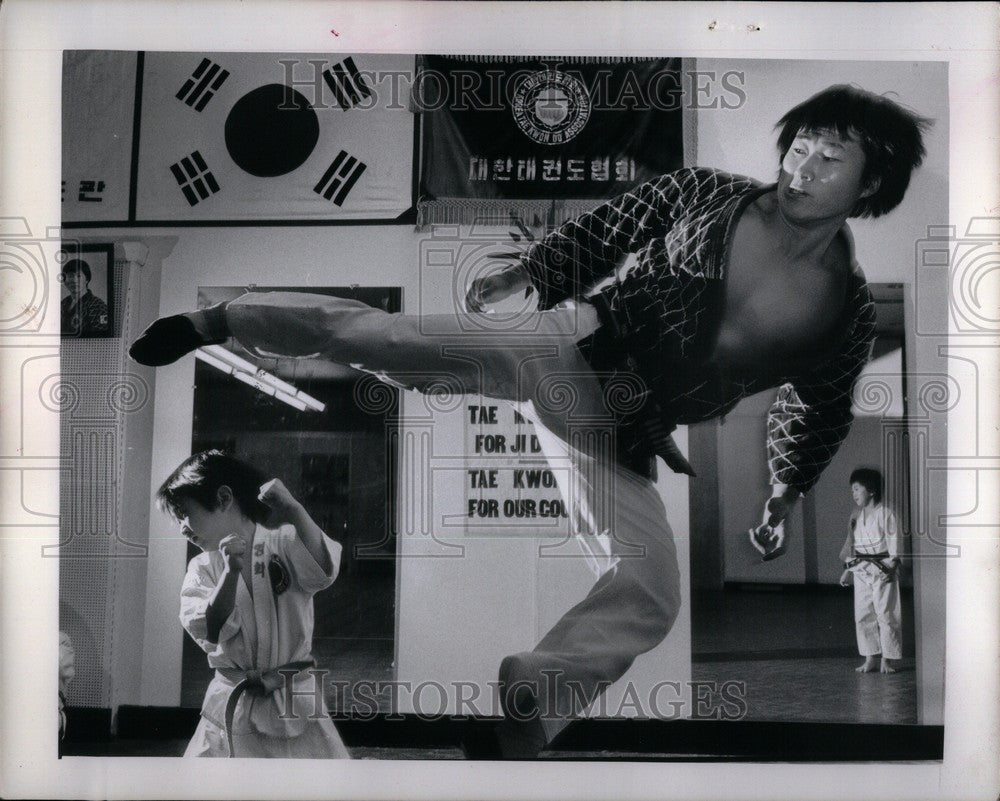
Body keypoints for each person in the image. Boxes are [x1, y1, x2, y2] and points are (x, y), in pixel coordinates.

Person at [131, 85, 930, 757]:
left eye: (831, 158)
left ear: (870, 185)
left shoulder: (845, 313)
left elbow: (818, 407)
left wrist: (783, 496)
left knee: (651, 589)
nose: (802, 167)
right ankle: (224, 321)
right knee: (392, 340)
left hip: (620, 429)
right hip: (567, 343)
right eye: (800, 146)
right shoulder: (706, 192)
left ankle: (533, 695)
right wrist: (533, 268)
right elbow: (610, 229)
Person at [156, 450, 350, 758]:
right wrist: (230, 574)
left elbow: (324, 570)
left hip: (292, 698)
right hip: (231, 700)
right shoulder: (203, 568)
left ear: (223, 498)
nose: (182, 526)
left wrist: (292, 507)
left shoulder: (284, 542)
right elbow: (211, 629)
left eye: (184, 512)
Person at [838, 468, 903, 674]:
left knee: (886, 613)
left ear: (872, 490)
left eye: (857, 489)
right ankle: (870, 657)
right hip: (861, 570)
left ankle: (888, 659)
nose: (854, 494)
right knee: (863, 614)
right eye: (852, 490)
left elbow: (895, 543)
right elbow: (852, 544)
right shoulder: (856, 516)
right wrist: (847, 569)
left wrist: (891, 567)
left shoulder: (887, 514)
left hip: (883, 570)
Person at [60, 258, 110, 335]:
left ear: (87, 279)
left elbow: (100, 336)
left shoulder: (98, 306)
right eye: (70, 276)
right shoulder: (62, 304)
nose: (74, 280)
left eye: (79, 276)